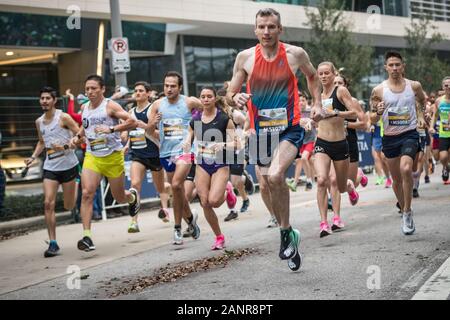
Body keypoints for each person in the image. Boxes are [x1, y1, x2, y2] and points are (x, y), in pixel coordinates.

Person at [226, 8, 323, 271]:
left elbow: (312, 76)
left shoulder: (295, 54)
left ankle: (283, 233)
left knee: (278, 175)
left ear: (280, 29)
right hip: (261, 131)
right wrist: (235, 98)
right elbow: (230, 93)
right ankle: (290, 232)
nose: (267, 32)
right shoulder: (245, 58)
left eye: (271, 27)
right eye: (262, 27)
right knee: (266, 182)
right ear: (255, 30)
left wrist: (316, 103)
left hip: (289, 128)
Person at [71, 74, 140, 252]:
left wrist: (111, 128)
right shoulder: (85, 107)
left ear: (102, 89)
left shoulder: (110, 106)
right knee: (87, 193)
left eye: (94, 88)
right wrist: (77, 138)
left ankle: (131, 197)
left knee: (119, 197)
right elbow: (84, 127)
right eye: (87, 88)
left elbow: (132, 121)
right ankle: (87, 236)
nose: (90, 91)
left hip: (112, 156)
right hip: (92, 156)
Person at [369, 51, 426, 236]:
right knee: (396, 180)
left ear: (403, 66)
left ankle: (408, 211)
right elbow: (371, 120)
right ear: (385, 67)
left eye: (397, 65)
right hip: (390, 138)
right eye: (391, 65)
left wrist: (420, 116)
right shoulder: (378, 90)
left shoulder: (414, 86)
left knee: (406, 169)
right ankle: (403, 209)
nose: (394, 68)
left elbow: (422, 102)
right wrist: (377, 112)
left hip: (409, 134)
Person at [148, 71, 203, 245]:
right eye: (166, 85)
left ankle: (177, 227)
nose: (169, 89)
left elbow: (208, 111)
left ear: (180, 87)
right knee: (177, 192)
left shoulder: (189, 102)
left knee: (176, 185)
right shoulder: (157, 105)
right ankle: (190, 219)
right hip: (166, 153)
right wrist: (153, 124)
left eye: (173, 86)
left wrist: (196, 129)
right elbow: (149, 131)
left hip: (185, 151)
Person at [25, 87, 80, 257]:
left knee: (69, 205)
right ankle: (53, 243)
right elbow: (42, 142)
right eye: (42, 98)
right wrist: (33, 157)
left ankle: (76, 184)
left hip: (69, 165)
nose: (44, 101)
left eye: (48, 98)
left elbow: (80, 135)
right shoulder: (39, 122)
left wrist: (66, 145)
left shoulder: (63, 117)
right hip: (51, 167)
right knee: (48, 203)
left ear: (54, 100)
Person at [313, 62, 364, 238]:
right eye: (321, 74)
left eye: (327, 73)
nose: (324, 76)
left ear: (334, 74)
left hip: (341, 144)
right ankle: (325, 222)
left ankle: (349, 187)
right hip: (322, 143)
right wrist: (309, 122)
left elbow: (356, 113)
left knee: (339, 185)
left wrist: (336, 113)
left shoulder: (340, 91)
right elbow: (316, 118)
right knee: (322, 180)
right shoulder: (317, 96)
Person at [184, 87, 240, 249]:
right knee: (205, 202)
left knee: (214, 201)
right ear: (200, 99)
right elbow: (189, 135)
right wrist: (187, 142)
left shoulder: (223, 119)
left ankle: (227, 190)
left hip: (221, 163)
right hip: (202, 164)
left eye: (209, 96)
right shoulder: (195, 120)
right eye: (203, 96)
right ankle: (219, 237)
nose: (206, 99)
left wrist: (223, 144)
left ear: (215, 99)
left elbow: (237, 143)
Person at [123, 81, 171, 233]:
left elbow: (161, 134)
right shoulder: (130, 113)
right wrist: (126, 142)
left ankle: (165, 210)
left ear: (148, 93)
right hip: (137, 154)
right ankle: (134, 221)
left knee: (161, 187)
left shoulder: (153, 110)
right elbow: (130, 132)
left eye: (141, 91)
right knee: (135, 185)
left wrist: (147, 129)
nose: (137, 93)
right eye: (135, 91)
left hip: (154, 153)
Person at [286, 92, 316, 192]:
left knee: (303, 159)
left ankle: (309, 180)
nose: (301, 103)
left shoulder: (310, 111)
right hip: (300, 141)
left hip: (310, 140)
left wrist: (310, 123)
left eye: (303, 100)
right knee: (303, 161)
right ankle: (309, 180)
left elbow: (317, 123)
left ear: (306, 101)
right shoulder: (295, 113)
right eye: (299, 101)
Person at [430, 76, 450, 184]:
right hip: (444, 133)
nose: (448, 87)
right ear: (443, 87)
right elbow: (434, 115)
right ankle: (446, 167)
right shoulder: (439, 101)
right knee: (442, 157)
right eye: (446, 85)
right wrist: (431, 127)